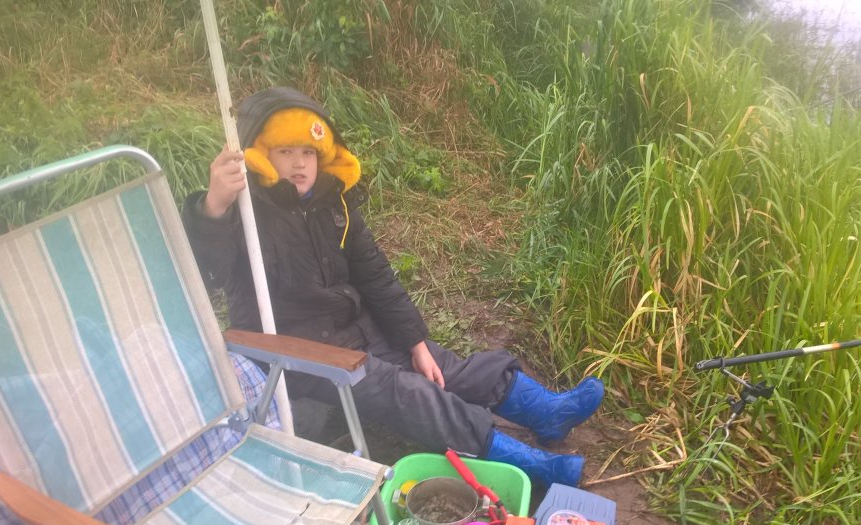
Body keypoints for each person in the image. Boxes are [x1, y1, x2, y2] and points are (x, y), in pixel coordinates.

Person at [181, 87, 603, 487]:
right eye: (285, 151)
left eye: (308, 152)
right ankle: (531, 466)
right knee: (407, 392)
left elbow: (375, 275)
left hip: (352, 327)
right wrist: (213, 206)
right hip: (295, 350)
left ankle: (547, 413)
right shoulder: (244, 209)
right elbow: (209, 275)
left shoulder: (333, 202)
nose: (299, 163)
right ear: (261, 156)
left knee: (437, 365)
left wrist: (415, 342)